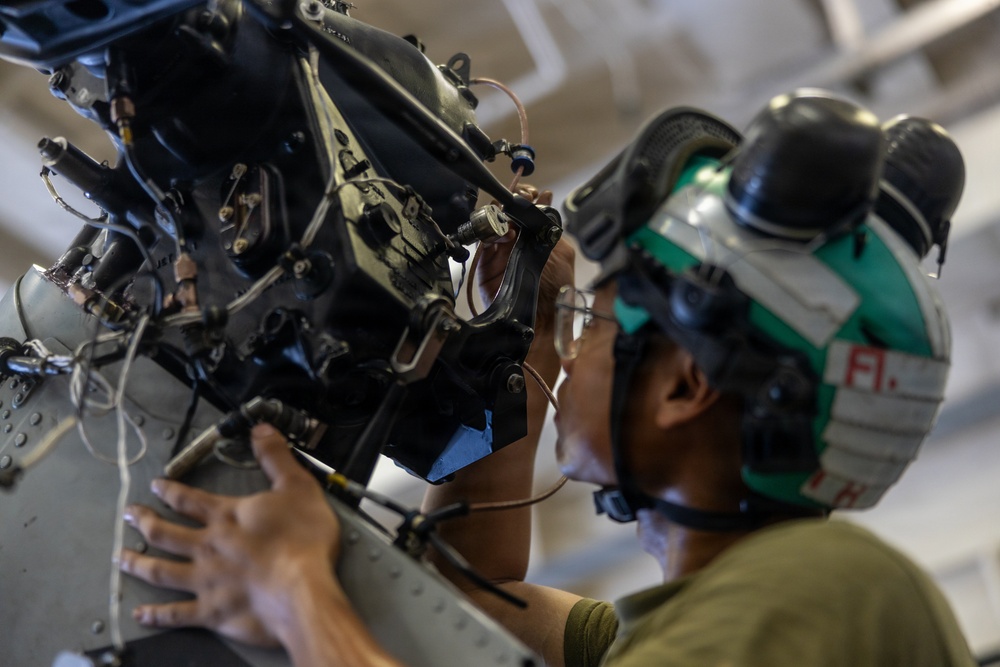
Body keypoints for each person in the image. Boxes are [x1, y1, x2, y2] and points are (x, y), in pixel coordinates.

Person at [118, 90, 976, 666]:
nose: (576, 350)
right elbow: (460, 600)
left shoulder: (823, 584)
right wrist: (520, 335)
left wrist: (299, 595)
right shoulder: (700, 618)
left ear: (685, 389)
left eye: (593, 325)